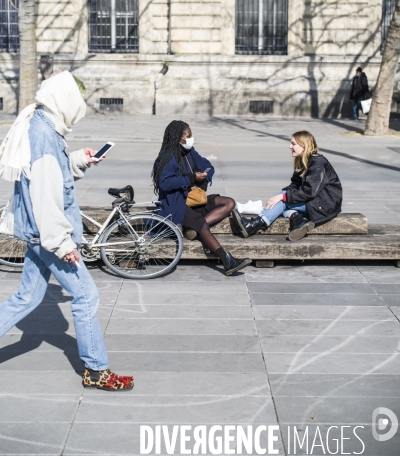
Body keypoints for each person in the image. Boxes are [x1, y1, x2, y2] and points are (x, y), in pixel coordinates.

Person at [0, 71, 133, 391]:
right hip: (48, 236)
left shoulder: (41, 124)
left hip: (36, 233)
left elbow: (49, 175)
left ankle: (95, 367)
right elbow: (46, 194)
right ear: (65, 102)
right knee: (86, 295)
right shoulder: (45, 135)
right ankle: (96, 369)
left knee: (26, 297)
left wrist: (79, 160)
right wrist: (61, 243)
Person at [152, 120, 252, 275]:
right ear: (178, 138)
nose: (192, 138)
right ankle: (227, 261)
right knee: (203, 226)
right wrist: (191, 178)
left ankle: (194, 229)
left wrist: (205, 175)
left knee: (229, 202)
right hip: (176, 204)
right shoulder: (167, 157)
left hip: (193, 199)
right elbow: (164, 183)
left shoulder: (189, 152)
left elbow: (206, 165)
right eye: (188, 135)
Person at [232, 131, 342, 242]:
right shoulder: (303, 161)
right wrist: (278, 196)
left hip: (326, 205)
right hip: (316, 201)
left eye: (293, 144)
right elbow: (295, 185)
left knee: (282, 202)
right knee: (279, 200)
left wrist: (282, 198)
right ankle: (298, 220)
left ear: (304, 145)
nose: (290, 146)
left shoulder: (318, 163)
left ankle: (254, 224)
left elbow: (309, 191)